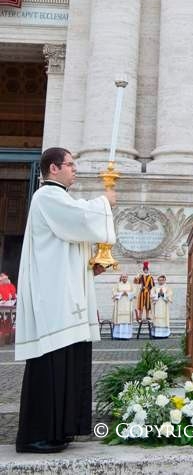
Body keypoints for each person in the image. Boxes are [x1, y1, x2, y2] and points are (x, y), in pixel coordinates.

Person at [15, 147, 116, 454]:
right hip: (53, 298)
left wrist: (92, 262)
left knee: (65, 362)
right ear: (54, 168)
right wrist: (105, 203)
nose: (75, 169)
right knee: (51, 363)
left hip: (64, 293)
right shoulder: (47, 196)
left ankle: (60, 431)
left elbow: (70, 240)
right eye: (71, 164)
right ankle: (37, 435)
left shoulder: (59, 199)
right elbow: (81, 219)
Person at [111, 274, 135, 340]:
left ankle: (127, 335)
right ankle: (118, 335)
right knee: (119, 319)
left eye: (125, 277)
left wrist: (127, 293)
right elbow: (114, 293)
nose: (124, 278)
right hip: (119, 304)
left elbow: (134, 293)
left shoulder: (130, 285)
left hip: (128, 304)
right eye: (123, 277)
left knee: (127, 319)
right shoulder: (117, 285)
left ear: (127, 278)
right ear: (121, 278)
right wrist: (121, 293)